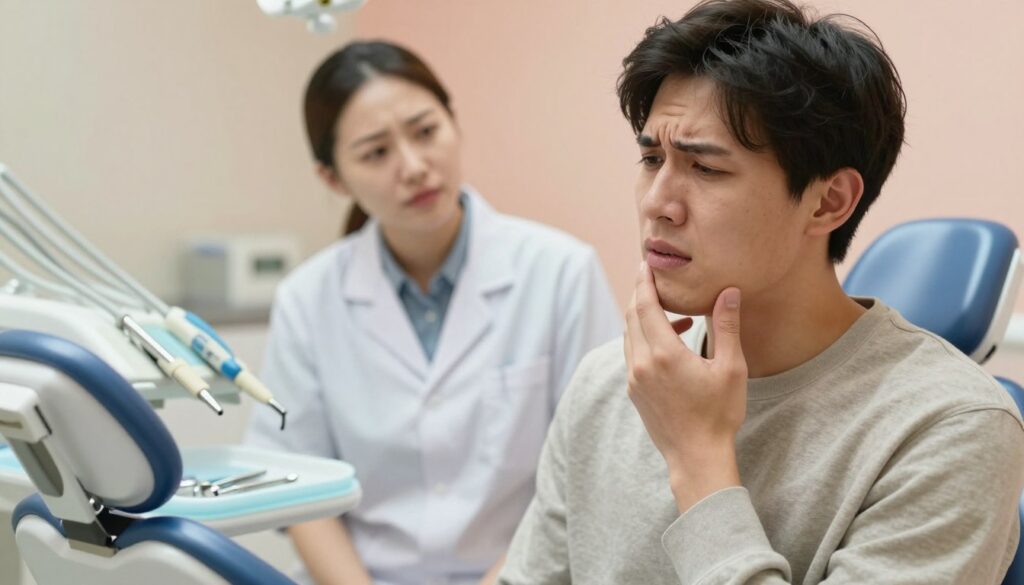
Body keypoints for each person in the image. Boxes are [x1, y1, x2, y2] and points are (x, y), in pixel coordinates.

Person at [498, 1, 1024, 583]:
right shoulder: (608, 383)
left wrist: (697, 455)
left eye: (705, 169)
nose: (657, 203)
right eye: (651, 158)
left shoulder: (950, 425)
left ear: (828, 202)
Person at [244, 41, 622, 585]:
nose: (415, 167)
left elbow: (589, 471)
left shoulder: (561, 273)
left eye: (425, 132)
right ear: (333, 178)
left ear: (453, 123)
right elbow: (296, 484)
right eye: (376, 153)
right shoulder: (307, 300)